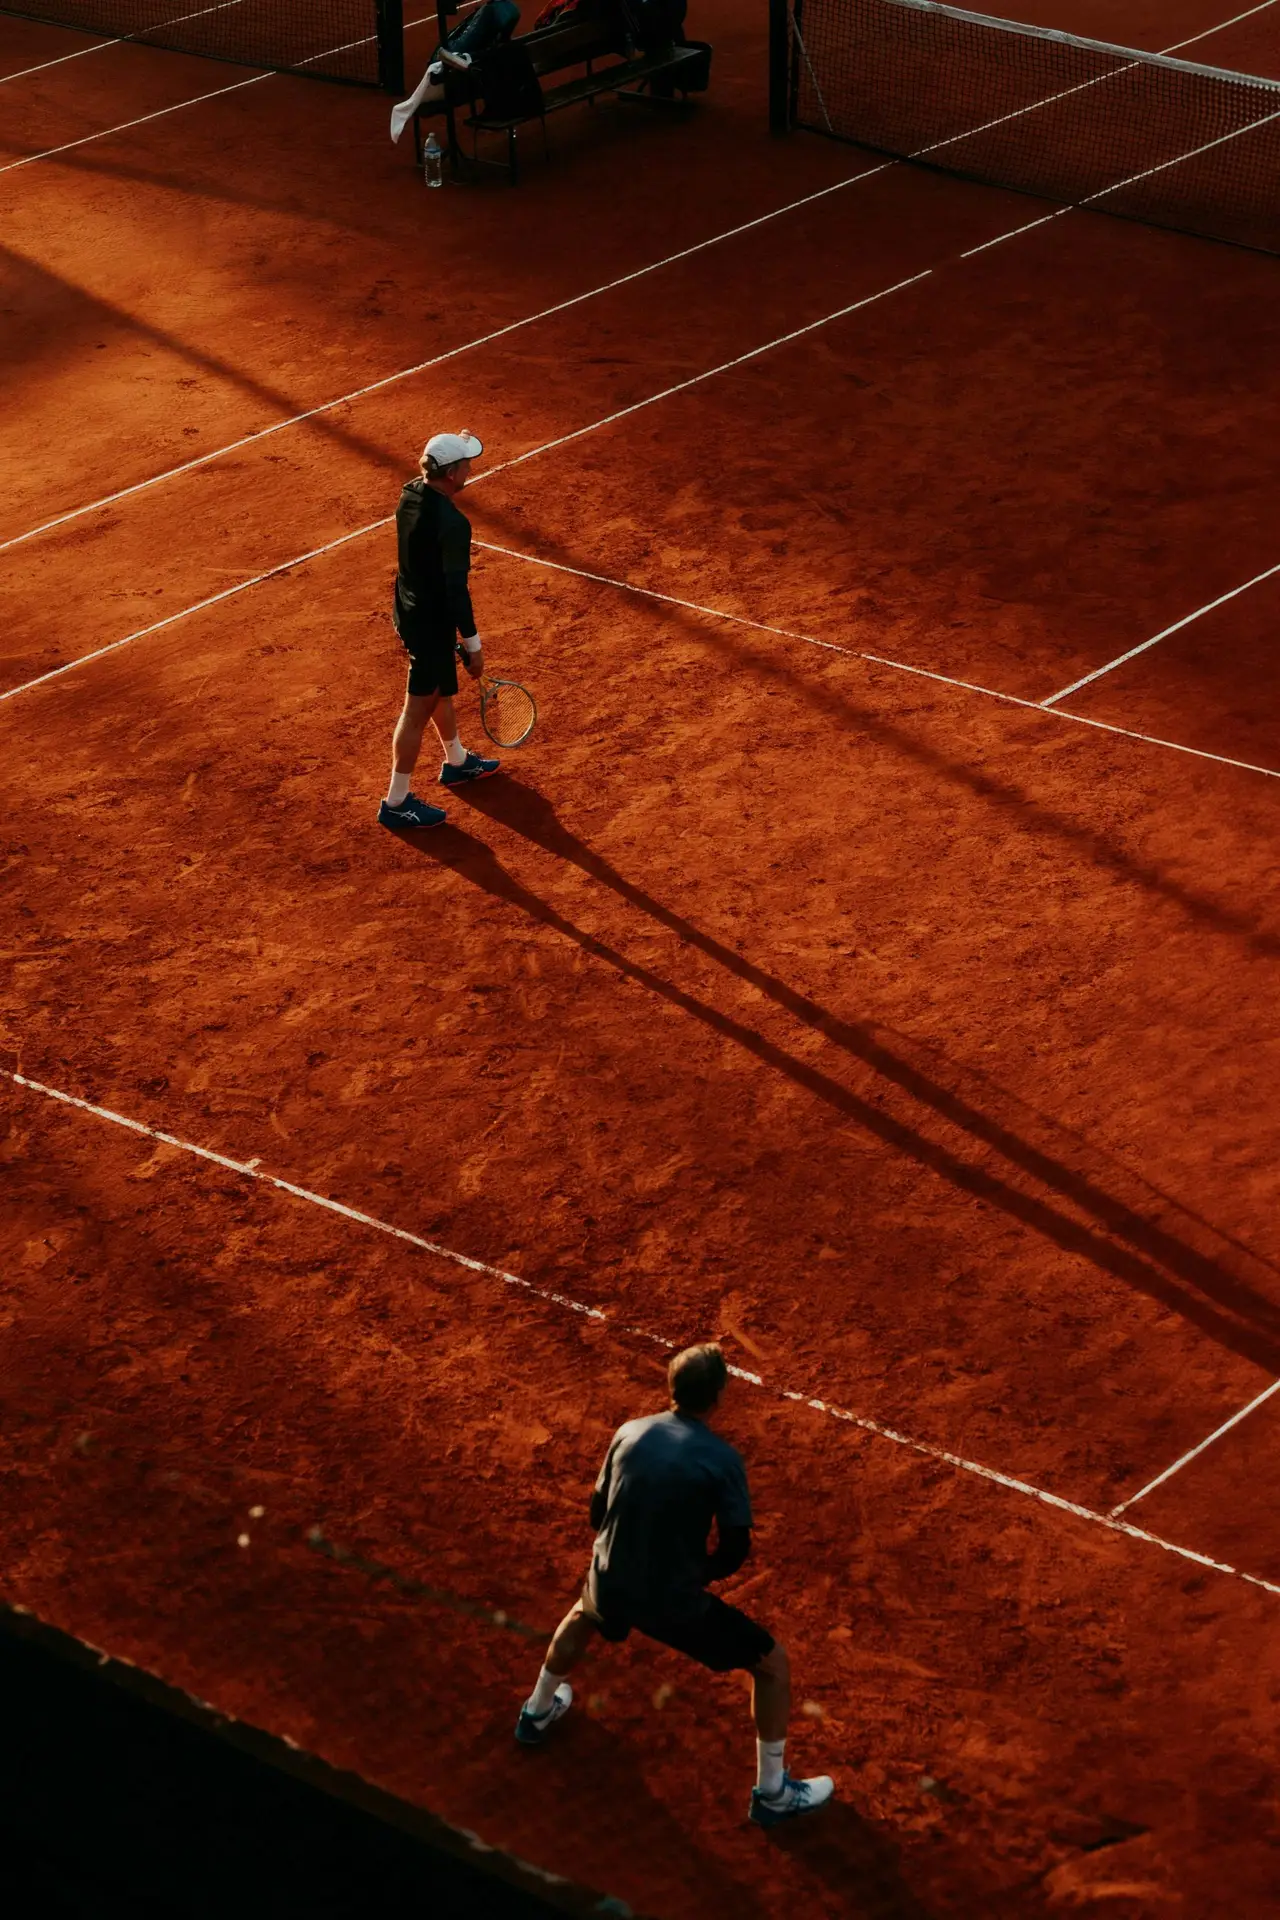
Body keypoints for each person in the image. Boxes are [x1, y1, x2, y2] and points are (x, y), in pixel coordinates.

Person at [515, 1343, 835, 1829]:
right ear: (718, 1397)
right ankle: (772, 1793)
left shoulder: (629, 1432)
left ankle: (536, 1712)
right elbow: (733, 1549)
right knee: (772, 1664)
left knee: (584, 1611)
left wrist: (623, 1556)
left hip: (613, 1578)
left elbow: (598, 1513)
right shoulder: (722, 1460)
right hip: (672, 1602)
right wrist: (694, 1575)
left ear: (671, 1388)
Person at [379, 430, 499, 832]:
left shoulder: (410, 493)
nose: (470, 468)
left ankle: (457, 761)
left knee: (439, 691)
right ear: (451, 474)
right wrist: (473, 644)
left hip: (410, 609)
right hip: (431, 622)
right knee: (417, 710)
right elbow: (455, 590)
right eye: (466, 464)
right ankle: (396, 802)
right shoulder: (453, 523)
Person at [389, 0, 522, 144]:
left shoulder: (489, 14)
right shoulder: (511, 13)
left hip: (463, 81)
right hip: (491, 76)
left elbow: (446, 55)